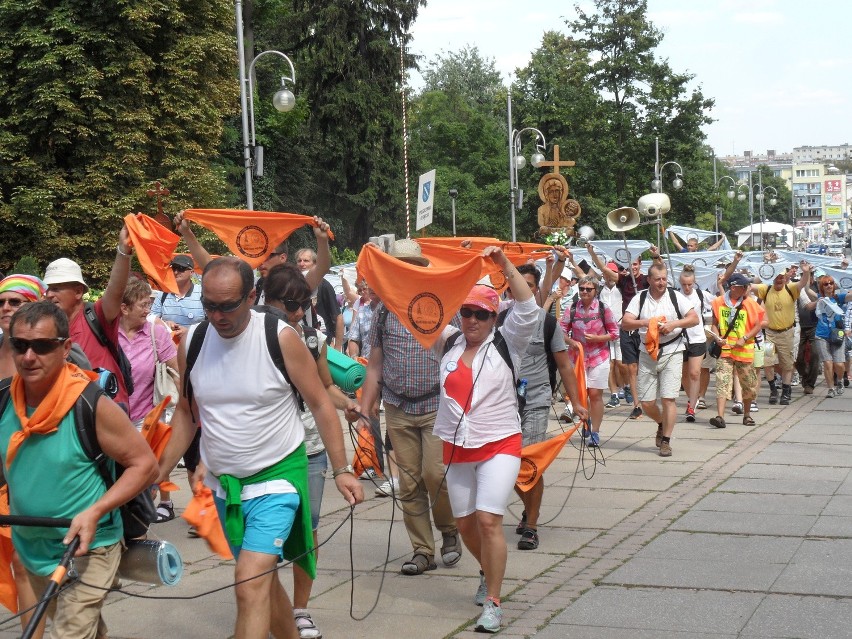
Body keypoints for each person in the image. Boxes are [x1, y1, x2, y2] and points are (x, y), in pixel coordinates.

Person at [157, 257, 364, 639]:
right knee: (263, 583)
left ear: (251, 296)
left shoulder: (280, 336)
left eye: (228, 306)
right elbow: (187, 413)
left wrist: (341, 469)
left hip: (277, 480)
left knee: (248, 581)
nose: (217, 316)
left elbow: (319, 402)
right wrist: (158, 471)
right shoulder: (193, 340)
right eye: (209, 305)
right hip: (226, 487)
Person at [0, 301, 157, 639]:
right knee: (85, 631)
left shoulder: (90, 404)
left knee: (69, 633)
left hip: (89, 547)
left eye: (42, 346)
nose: (29, 357)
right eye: (20, 345)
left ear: (65, 348)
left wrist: (95, 511)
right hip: (33, 547)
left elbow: (145, 466)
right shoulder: (3, 401)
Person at [432, 247, 538, 634]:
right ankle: (487, 570)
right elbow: (415, 309)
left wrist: (502, 264)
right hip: (456, 447)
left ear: (495, 318)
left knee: (489, 520)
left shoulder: (508, 342)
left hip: (499, 442)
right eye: (467, 312)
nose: (472, 319)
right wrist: (394, 266)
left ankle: (493, 601)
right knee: (465, 525)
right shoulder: (447, 342)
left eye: (482, 314)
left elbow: (527, 308)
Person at [351, 238, 462, 576]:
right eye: (399, 268)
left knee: (436, 475)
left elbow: (461, 356)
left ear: (420, 269)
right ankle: (422, 551)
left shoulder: (442, 305)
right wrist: (364, 409)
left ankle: (450, 530)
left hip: (436, 406)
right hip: (397, 406)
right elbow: (374, 365)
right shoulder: (383, 312)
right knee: (410, 483)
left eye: (411, 267)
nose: (405, 273)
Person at [263, 262, 357, 639]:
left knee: (307, 530)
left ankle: (300, 609)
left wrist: (345, 403)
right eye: (291, 304)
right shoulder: (252, 336)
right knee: (266, 539)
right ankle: (271, 609)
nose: (299, 312)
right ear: (265, 299)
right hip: (270, 452)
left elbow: (322, 390)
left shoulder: (312, 337)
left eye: (304, 303)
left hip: (311, 448)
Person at [508, 264, 586, 550]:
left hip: (537, 399)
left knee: (529, 462)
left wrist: (576, 402)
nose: (524, 289)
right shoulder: (501, 319)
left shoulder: (547, 322)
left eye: (530, 285)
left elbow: (564, 364)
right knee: (507, 467)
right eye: (519, 283)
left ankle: (531, 525)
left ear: (536, 289)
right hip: (505, 402)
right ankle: (530, 507)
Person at [43, 226, 133, 406]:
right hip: (71, 412)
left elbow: (115, 290)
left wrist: (123, 250)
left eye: (56, 288)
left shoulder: (96, 315)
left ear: (78, 292)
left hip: (108, 412)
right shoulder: (48, 327)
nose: (49, 294)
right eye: (48, 289)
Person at [621, 261, 699, 457]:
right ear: (649, 280)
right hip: (647, 352)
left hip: (673, 349)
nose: (661, 283)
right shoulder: (640, 298)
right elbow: (626, 323)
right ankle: (661, 423)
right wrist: (647, 322)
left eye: (664, 279)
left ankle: (666, 440)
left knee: (668, 398)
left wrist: (673, 324)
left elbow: (694, 318)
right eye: (657, 279)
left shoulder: (675, 296)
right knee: (646, 403)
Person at [118, 277, 179, 523]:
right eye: (142, 305)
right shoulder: (108, 333)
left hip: (148, 415)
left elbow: (177, 371)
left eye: (149, 304)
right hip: (116, 416)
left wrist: (186, 409)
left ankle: (141, 520)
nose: (148, 310)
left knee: (145, 469)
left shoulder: (156, 333)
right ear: (124, 307)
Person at [587, 244, 662, 420]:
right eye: (630, 265)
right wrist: (592, 252)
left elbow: (660, 271)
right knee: (631, 368)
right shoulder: (624, 280)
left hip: (647, 330)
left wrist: (656, 256)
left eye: (636, 264)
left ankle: (650, 400)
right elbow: (604, 270)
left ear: (640, 265)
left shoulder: (647, 280)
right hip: (628, 330)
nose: (633, 268)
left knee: (650, 367)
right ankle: (636, 405)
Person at [560, 275, 617, 448]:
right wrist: (572, 342)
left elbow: (615, 333)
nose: (584, 292)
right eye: (582, 288)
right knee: (581, 394)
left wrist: (598, 338)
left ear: (596, 291)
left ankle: (595, 432)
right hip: (577, 358)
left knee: (595, 395)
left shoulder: (603, 308)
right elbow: (561, 331)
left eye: (588, 289)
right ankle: (587, 422)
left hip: (599, 356)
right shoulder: (572, 309)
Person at [708, 273, 767, 428]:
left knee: (748, 385)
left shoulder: (751, 304)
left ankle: (747, 415)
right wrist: (717, 337)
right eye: (744, 286)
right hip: (725, 350)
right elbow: (715, 323)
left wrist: (745, 337)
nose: (747, 288)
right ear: (734, 287)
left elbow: (758, 325)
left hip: (744, 350)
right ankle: (720, 416)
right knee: (722, 382)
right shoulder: (718, 302)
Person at [752, 261, 811, 405]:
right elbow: (751, 285)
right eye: (776, 276)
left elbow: (802, 283)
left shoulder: (791, 289)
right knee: (767, 363)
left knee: (787, 365)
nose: (779, 279)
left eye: (781, 276)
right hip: (769, 334)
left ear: (785, 277)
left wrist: (806, 271)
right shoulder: (766, 289)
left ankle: (786, 391)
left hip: (787, 333)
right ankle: (773, 390)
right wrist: (764, 269)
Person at [678, 266, 711, 422]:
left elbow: (721, 301)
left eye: (690, 284)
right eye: (684, 284)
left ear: (694, 282)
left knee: (694, 373)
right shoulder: (676, 295)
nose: (687, 287)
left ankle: (691, 406)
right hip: (681, 339)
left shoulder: (701, 295)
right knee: (684, 376)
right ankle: (692, 397)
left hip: (698, 338)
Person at [294, 248, 343, 350]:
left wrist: (338, 346)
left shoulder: (324, 285)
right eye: (299, 261)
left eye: (306, 261)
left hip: (322, 342)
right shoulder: (293, 285)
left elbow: (338, 316)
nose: (302, 264)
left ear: (315, 264)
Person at [149, 254, 204, 343]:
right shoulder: (163, 294)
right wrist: (164, 324)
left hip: (195, 347)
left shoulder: (203, 294)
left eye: (181, 268)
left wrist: (189, 333)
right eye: (174, 268)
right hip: (168, 349)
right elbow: (150, 319)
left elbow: (211, 325)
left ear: (192, 272)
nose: (176, 272)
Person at [814, 275, 848, 398]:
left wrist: (846, 277)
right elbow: (806, 289)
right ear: (822, 287)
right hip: (821, 335)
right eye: (826, 284)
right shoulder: (819, 298)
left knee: (838, 364)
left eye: (831, 283)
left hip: (837, 334)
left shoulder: (839, 298)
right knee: (827, 363)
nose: (829, 285)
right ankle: (830, 388)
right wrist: (807, 272)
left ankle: (839, 381)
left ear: (834, 285)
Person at [795, 280, 820, 394]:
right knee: (798, 357)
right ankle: (804, 376)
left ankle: (810, 384)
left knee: (815, 355)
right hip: (799, 326)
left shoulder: (819, 286)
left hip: (815, 326)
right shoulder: (795, 286)